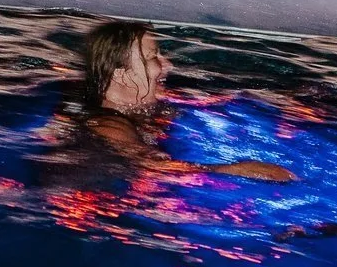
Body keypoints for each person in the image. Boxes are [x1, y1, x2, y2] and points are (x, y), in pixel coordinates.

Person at [70, 21, 296, 181]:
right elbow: (155, 168)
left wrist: (278, 101)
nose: (168, 65)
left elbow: (218, 101)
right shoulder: (108, 127)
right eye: (153, 57)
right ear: (121, 74)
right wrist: (239, 170)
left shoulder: (148, 107)